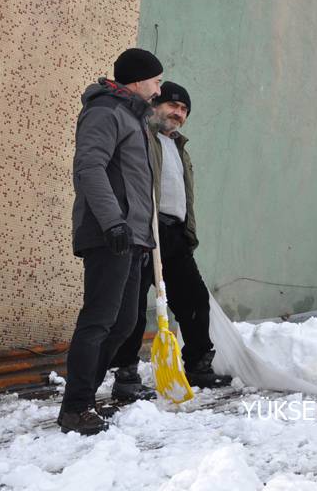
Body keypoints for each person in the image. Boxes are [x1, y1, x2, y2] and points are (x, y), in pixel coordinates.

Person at [60, 48, 163, 435]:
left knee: (124, 323)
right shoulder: (106, 112)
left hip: (132, 236)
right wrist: (113, 223)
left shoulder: (133, 118)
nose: (158, 89)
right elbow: (90, 167)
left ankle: (85, 394)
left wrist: (142, 234)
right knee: (99, 320)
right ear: (136, 81)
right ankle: (75, 406)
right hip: (109, 232)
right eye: (154, 81)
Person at [107, 81, 230, 402]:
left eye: (184, 109)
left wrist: (188, 233)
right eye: (173, 105)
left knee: (193, 299)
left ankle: (198, 365)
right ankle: (126, 374)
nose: (178, 113)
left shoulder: (178, 146)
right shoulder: (141, 138)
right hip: (145, 230)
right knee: (132, 306)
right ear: (154, 106)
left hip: (174, 234)